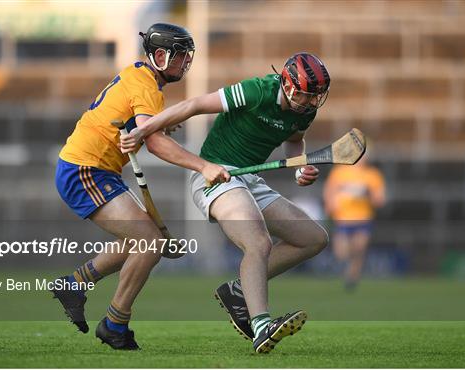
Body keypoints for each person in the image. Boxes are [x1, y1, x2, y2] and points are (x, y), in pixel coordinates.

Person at [120, 52, 331, 353]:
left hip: (251, 178)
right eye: (307, 95)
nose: (312, 102)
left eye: (317, 97)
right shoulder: (257, 90)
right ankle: (260, 325)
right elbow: (194, 105)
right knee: (257, 242)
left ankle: (239, 289)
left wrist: (299, 168)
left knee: (313, 238)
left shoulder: (304, 111)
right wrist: (145, 128)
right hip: (213, 174)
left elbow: (295, 140)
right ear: (288, 84)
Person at [52, 23, 229, 351]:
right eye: (179, 58)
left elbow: (142, 127)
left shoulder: (139, 76)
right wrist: (204, 165)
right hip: (85, 168)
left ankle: (74, 285)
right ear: (159, 56)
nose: (184, 64)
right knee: (149, 242)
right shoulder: (146, 83)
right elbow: (156, 145)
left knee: (146, 241)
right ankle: (114, 324)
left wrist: (153, 127)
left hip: (95, 168)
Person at [323, 152, 386, 291]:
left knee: (359, 249)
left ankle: (352, 279)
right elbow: (329, 192)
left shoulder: (373, 175)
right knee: (341, 253)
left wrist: (368, 193)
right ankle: (347, 272)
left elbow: (379, 200)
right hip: (342, 219)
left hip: (364, 219)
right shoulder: (339, 172)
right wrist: (330, 206)